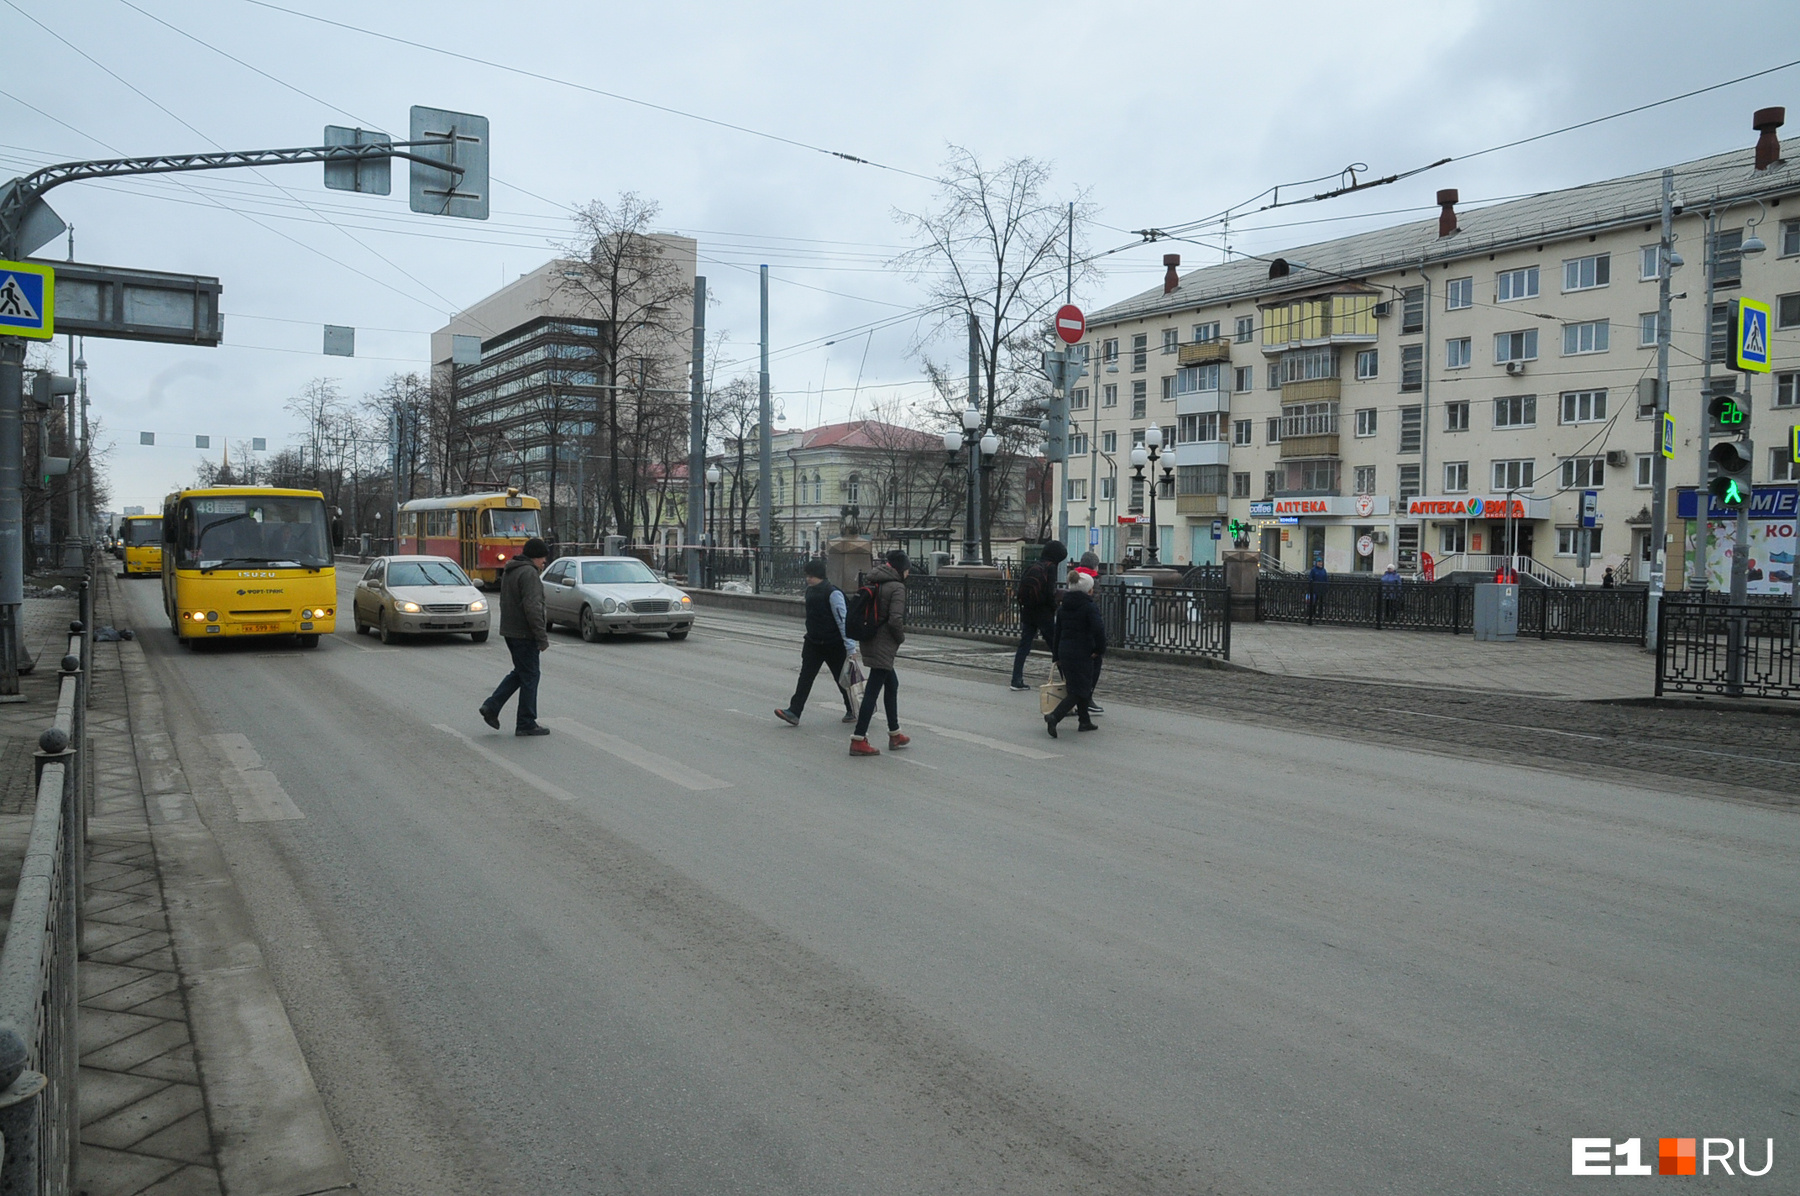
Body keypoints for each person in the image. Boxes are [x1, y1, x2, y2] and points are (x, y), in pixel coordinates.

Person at [479, 537, 551, 736]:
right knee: (530, 676)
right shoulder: (529, 573)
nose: (544, 561)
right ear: (535, 556)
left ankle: (492, 706)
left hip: (511, 630)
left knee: (521, 673)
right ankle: (526, 722)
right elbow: (533, 607)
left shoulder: (512, 569)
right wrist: (541, 637)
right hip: (524, 632)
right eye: (543, 557)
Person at [775, 558, 859, 726]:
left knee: (841, 678)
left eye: (811, 576)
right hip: (813, 642)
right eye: (807, 575)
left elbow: (842, 620)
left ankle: (853, 709)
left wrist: (851, 648)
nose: (808, 579)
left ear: (819, 575)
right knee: (805, 677)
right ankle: (794, 711)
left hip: (833, 644)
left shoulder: (832, 593)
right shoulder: (811, 590)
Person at [850, 549, 911, 756]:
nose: (908, 574)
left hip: (870, 638)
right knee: (873, 691)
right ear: (902, 569)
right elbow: (895, 620)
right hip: (884, 644)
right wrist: (900, 638)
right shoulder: (897, 588)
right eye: (907, 570)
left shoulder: (874, 581)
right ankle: (859, 739)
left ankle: (895, 733)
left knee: (891, 684)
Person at [1045, 567, 1106, 737]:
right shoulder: (1088, 606)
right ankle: (1054, 716)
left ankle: (1084, 721)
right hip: (1083, 652)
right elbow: (1099, 629)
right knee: (1080, 691)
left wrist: (1056, 656)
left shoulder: (1063, 607)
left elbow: (1057, 632)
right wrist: (1099, 649)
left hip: (1065, 652)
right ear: (1089, 590)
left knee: (1078, 687)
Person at [1010, 540, 1067, 691]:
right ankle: (1067, 679)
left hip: (1028, 611)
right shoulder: (1051, 567)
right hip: (1043, 613)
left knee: (1024, 645)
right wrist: (1054, 607)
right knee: (1056, 647)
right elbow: (1049, 593)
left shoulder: (1033, 565)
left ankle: (1016, 679)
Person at [1306, 557, 1329, 624]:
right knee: (1314, 602)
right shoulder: (1313, 570)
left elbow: (1326, 579)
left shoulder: (1323, 570)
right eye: (1318, 562)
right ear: (1316, 563)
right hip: (1315, 589)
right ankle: (1313, 613)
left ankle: (1320, 613)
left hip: (1321, 589)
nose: (1320, 563)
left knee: (1321, 602)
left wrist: (1326, 586)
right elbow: (1310, 578)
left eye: (1321, 562)